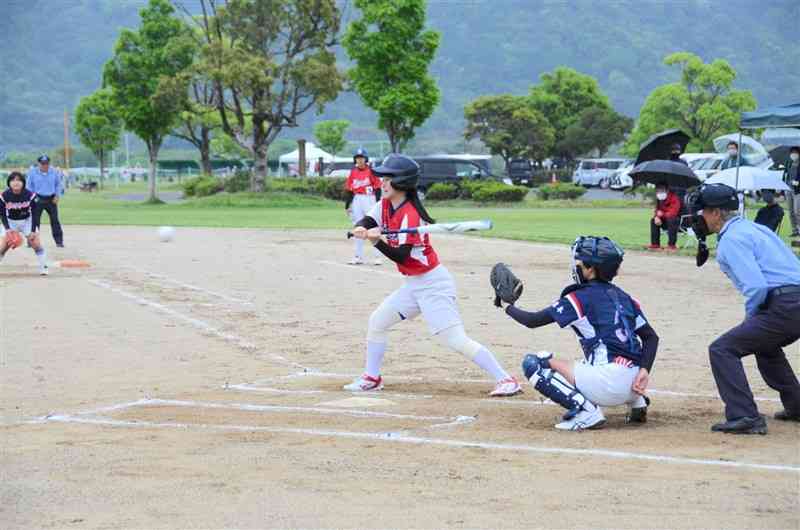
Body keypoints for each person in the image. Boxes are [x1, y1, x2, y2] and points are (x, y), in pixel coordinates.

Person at [344, 154, 521, 397]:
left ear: (402, 182)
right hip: (413, 285)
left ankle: (506, 379)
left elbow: (403, 257)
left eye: (388, 179)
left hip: (432, 285)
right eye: (382, 179)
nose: (382, 183)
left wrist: (376, 242)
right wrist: (363, 226)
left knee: (454, 339)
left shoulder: (410, 215)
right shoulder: (386, 204)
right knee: (378, 322)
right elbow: (369, 217)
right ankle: (372, 377)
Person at [496, 236, 658, 431]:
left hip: (607, 385)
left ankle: (586, 412)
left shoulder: (579, 297)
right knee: (597, 357)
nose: (576, 267)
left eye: (579, 264)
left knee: (535, 363)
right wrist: (645, 370)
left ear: (591, 269)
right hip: (635, 385)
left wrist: (507, 306)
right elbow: (651, 337)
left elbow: (532, 321)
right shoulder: (625, 298)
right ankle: (637, 405)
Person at [687, 183, 800, 433]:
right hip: (793, 301)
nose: (698, 218)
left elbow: (756, 287)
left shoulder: (731, 240)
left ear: (716, 213)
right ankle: (797, 405)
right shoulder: (755, 228)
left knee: (722, 349)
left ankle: (745, 415)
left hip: (785, 306)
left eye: (702, 212)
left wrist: (752, 316)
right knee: (764, 345)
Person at [0, 172, 49, 275]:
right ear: (9, 183)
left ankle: (44, 267)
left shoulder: (30, 195)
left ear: (23, 182)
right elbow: (3, 214)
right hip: (10, 221)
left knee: (35, 243)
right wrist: (8, 229)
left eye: (19, 180)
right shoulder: (4, 196)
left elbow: (35, 214)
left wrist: (32, 231)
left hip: (27, 221)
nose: (16, 182)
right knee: (2, 246)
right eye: (13, 180)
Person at [344, 148, 382, 265]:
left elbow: (377, 189)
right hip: (357, 199)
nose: (360, 160)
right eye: (357, 158)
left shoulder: (371, 171)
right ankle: (358, 256)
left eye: (362, 158)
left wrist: (377, 204)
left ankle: (377, 256)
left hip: (369, 199)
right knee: (358, 227)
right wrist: (347, 205)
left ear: (366, 159)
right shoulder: (353, 172)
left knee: (372, 227)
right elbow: (349, 190)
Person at [26, 154, 65, 247]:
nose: (45, 165)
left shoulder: (54, 172)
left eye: (46, 163)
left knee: (55, 220)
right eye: (42, 163)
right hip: (37, 198)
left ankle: (59, 241)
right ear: (38, 164)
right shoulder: (32, 172)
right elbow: (28, 186)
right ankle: (32, 241)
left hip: (51, 199)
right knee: (35, 221)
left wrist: (57, 195)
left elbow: (58, 184)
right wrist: (32, 197)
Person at [646, 183, 682, 251]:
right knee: (653, 220)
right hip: (665, 221)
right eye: (657, 191)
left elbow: (673, 213)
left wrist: (662, 214)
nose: (659, 192)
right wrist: (656, 217)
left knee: (671, 219)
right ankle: (655, 245)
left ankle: (671, 245)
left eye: (661, 190)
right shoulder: (659, 199)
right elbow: (657, 210)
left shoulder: (675, 198)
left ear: (667, 190)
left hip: (677, 222)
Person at [783, 146, 800, 237]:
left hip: (797, 191)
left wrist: (798, 183)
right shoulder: (788, 162)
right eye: (792, 152)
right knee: (790, 211)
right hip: (788, 189)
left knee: (797, 211)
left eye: (795, 152)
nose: (793, 154)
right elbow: (785, 174)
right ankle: (794, 230)